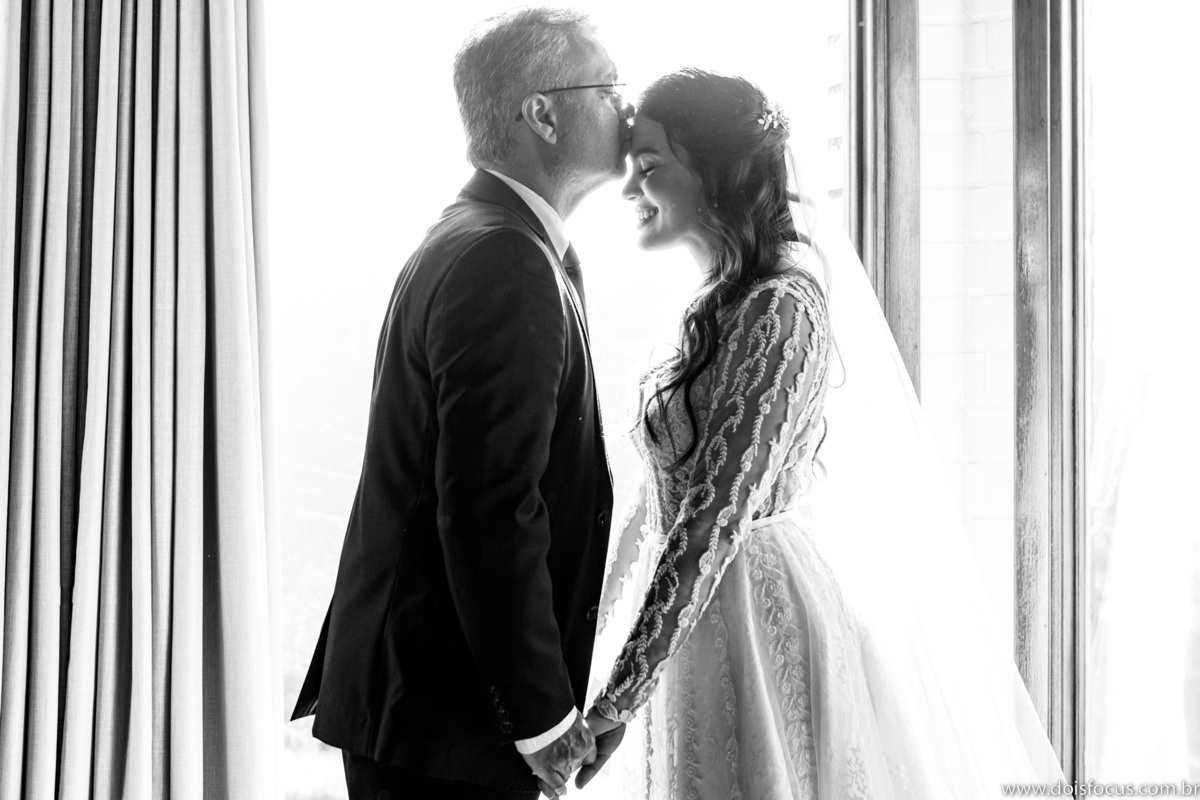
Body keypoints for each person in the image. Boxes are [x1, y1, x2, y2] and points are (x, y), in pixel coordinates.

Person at [578, 69, 1066, 798]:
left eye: (649, 168)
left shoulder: (781, 309)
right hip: (687, 621)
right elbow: (657, 500)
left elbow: (712, 518)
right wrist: (592, 643)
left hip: (752, 608)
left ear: (715, 173)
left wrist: (620, 695)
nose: (629, 191)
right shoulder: (707, 308)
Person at [291, 9, 632, 799]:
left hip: (427, 699)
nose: (628, 106)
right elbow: (490, 507)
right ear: (541, 113)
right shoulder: (502, 257)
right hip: (445, 713)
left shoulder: (486, 237)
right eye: (610, 85)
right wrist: (542, 719)